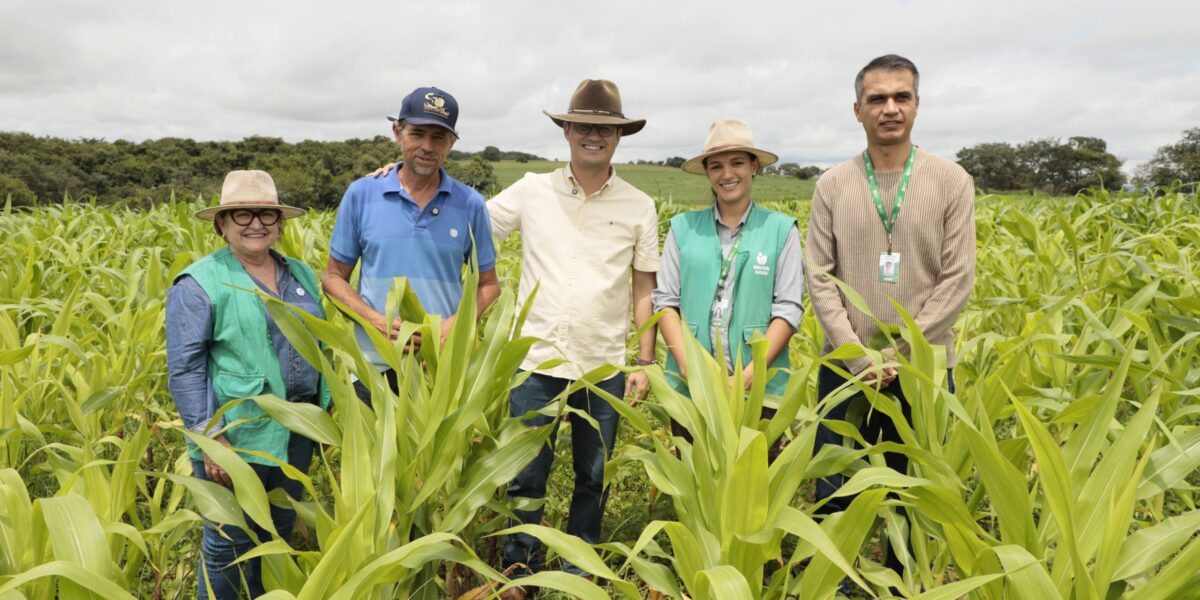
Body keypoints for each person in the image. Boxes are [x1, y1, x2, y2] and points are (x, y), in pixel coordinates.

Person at [805, 54, 976, 581]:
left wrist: (900, 353)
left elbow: (957, 279)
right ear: (857, 110)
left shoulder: (951, 181)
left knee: (915, 494)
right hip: (846, 368)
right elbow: (820, 277)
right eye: (877, 98)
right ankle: (834, 585)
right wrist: (859, 356)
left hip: (923, 369)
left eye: (901, 96)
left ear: (917, 105)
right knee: (835, 489)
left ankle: (907, 585)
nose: (890, 108)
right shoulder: (832, 185)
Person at [487, 78, 659, 595]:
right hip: (535, 359)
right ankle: (520, 565)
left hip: (602, 363)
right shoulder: (531, 190)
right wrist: (407, 177)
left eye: (605, 129)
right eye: (583, 125)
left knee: (594, 473)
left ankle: (578, 564)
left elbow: (644, 289)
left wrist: (644, 361)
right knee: (526, 471)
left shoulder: (639, 205)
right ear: (566, 129)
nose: (593, 136)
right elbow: (472, 225)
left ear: (619, 136)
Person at [166, 170, 331, 599]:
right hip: (237, 436)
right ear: (222, 224)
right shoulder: (198, 283)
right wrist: (211, 439)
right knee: (228, 543)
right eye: (242, 214)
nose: (256, 223)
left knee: (277, 534)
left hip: (296, 431)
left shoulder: (300, 274)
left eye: (266, 214)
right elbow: (185, 369)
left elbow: (319, 346)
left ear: (279, 223)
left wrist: (325, 416)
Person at [322, 86, 500, 403]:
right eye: (417, 134)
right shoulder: (361, 194)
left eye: (439, 137)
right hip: (372, 368)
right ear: (397, 132)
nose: (427, 146)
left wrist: (454, 327)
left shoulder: (470, 204)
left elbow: (488, 285)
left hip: (439, 369)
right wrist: (374, 321)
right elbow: (333, 277)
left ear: (452, 143)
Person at [653, 119, 803, 437]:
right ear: (708, 173)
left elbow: (788, 309)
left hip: (761, 388)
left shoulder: (781, 230)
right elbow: (665, 303)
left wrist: (747, 378)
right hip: (691, 389)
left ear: (754, 166)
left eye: (737, 163)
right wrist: (689, 368)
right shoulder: (682, 228)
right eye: (716, 166)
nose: (727, 174)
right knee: (693, 466)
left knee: (755, 467)